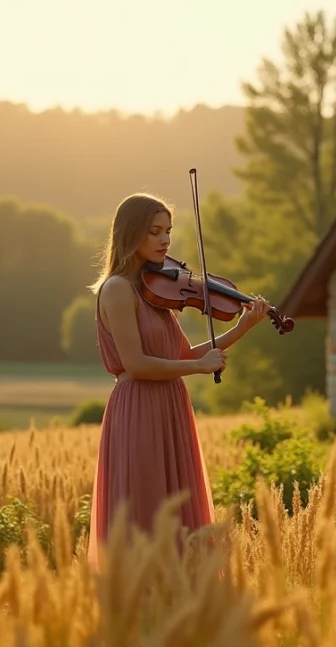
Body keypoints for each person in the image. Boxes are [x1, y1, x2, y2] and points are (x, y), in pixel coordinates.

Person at [85, 192, 270, 568]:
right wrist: (200, 369)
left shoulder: (155, 292)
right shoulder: (118, 289)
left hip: (170, 404)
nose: (165, 240)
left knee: (177, 504)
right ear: (130, 233)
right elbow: (136, 365)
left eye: (168, 231)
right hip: (138, 408)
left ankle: (180, 602)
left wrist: (240, 329)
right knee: (147, 505)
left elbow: (183, 356)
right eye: (154, 232)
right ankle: (142, 604)